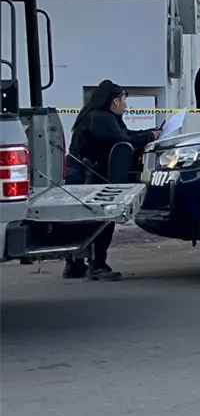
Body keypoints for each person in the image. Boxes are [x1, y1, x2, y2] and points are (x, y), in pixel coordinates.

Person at [63, 80, 158, 280]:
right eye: (123, 100)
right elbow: (122, 141)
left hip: (85, 176)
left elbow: (126, 134)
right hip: (87, 177)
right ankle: (96, 265)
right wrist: (150, 136)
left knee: (82, 221)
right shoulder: (100, 118)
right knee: (101, 220)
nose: (126, 104)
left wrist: (151, 133)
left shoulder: (103, 117)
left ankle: (75, 264)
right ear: (114, 101)